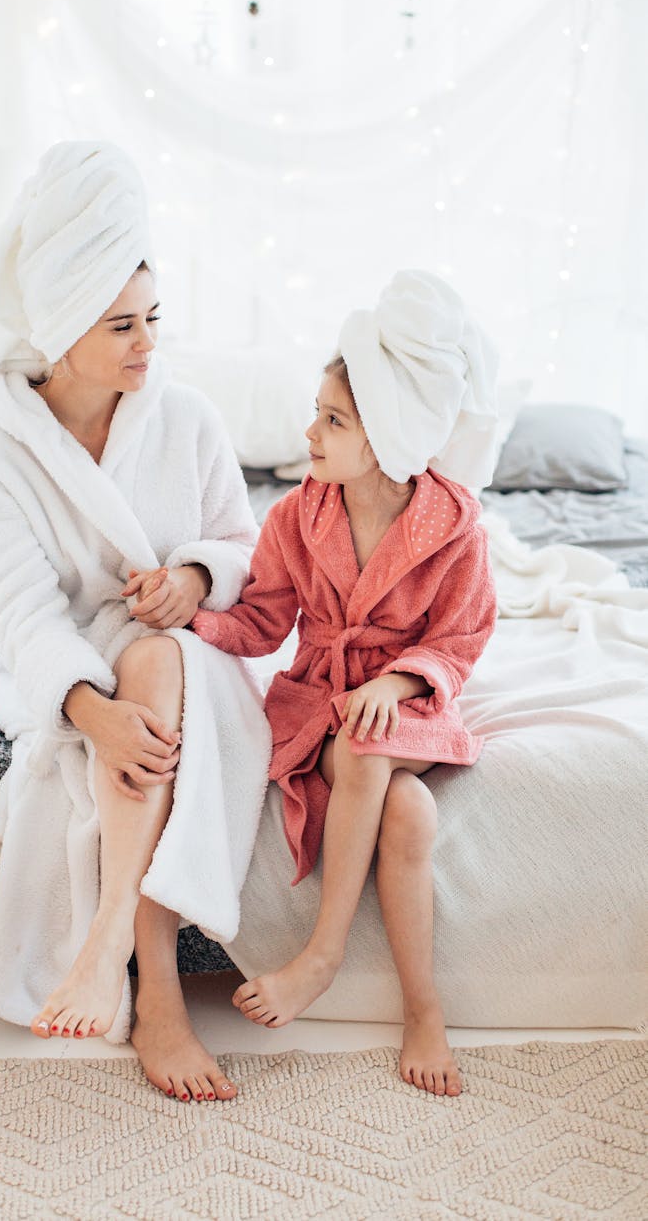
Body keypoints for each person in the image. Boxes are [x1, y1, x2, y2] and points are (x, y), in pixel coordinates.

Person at [0, 140, 271, 1104]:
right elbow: (21, 612)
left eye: (154, 318)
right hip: (71, 667)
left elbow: (242, 548)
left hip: (191, 654)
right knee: (141, 674)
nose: (148, 344)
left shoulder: (190, 419)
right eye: (121, 324)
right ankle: (150, 999)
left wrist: (193, 575)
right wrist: (86, 713)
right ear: (57, 328)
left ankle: (121, 964)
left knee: (164, 660)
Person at [133, 269, 498, 1097]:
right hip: (321, 706)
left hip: (402, 712)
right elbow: (262, 622)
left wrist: (401, 683)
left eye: (333, 419)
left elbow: (462, 637)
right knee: (403, 814)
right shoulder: (298, 516)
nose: (311, 432)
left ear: (387, 434)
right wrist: (190, 619)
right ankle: (423, 1010)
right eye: (318, 412)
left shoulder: (456, 529)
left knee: (370, 748)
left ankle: (321, 957)